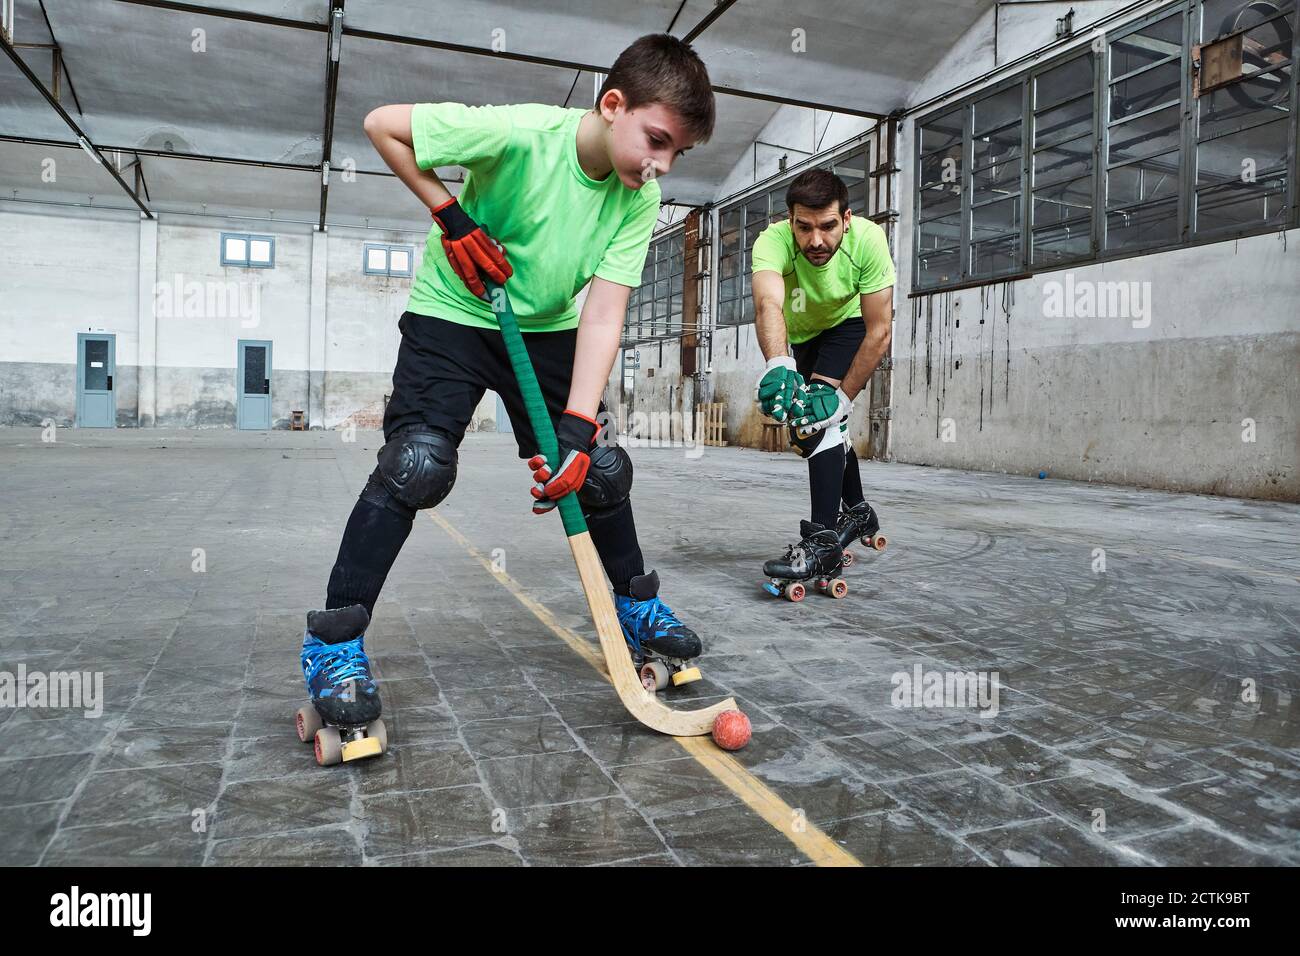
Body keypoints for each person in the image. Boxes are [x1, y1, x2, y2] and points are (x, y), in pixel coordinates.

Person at [298, 35, 718, 746]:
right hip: (455, 312)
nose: (661, 166)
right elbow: (383, 125)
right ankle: (334, 643)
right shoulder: (521, 134)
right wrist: (449, 213)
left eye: (677, 153)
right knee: (418, 465)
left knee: (603, 471)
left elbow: (606, 310)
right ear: (612, 105)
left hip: (548, 328)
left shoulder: (637, 197)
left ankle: (637, 607)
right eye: (656, 141)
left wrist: (580, 429)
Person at [751, 168, 895, 590]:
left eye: (828, 226)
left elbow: (879, 330)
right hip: (799, 333)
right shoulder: (772, 242)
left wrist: (844, 397)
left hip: (848, 325)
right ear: (789, 221)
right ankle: (859, 511)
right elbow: (767, 303)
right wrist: (778, 362)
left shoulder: (868, 241)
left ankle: (822, 542)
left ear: (846, 220)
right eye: (805, 227)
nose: (816, 241)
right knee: (812, 429)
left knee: (818, 419)